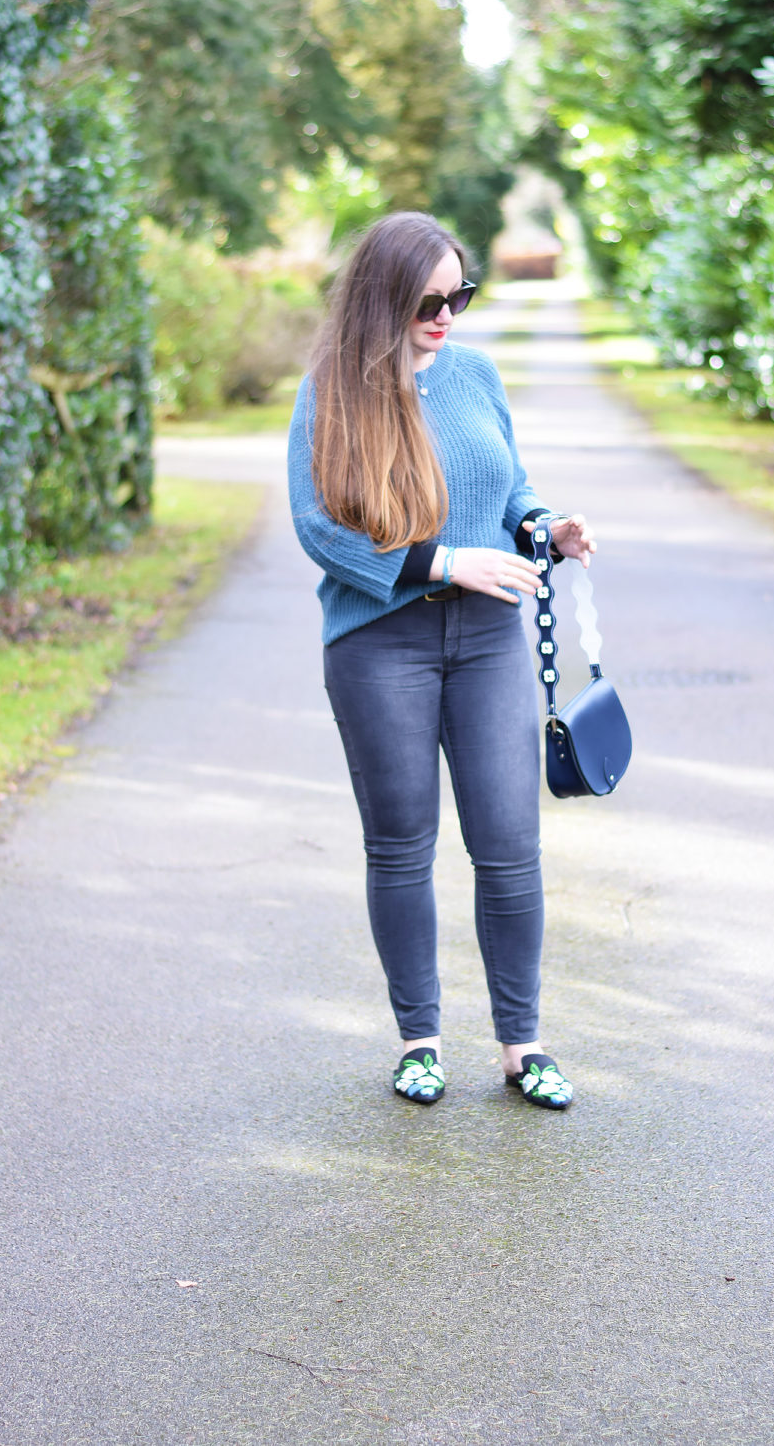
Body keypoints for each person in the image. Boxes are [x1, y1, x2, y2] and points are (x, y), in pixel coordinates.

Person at [287, 211, 596, 1109]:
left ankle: (522, 1046)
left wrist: (544, 529)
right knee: (402, 844)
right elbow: (320, 528)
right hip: (381, 643)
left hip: (491, 636)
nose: (447, 314)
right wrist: (441, 561)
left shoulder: (475, 375)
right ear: (382, 297)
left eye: (461, 294)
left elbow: (511, 485)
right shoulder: (333, 390)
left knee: (508, 845)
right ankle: (420, 1041)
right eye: (429, 299)